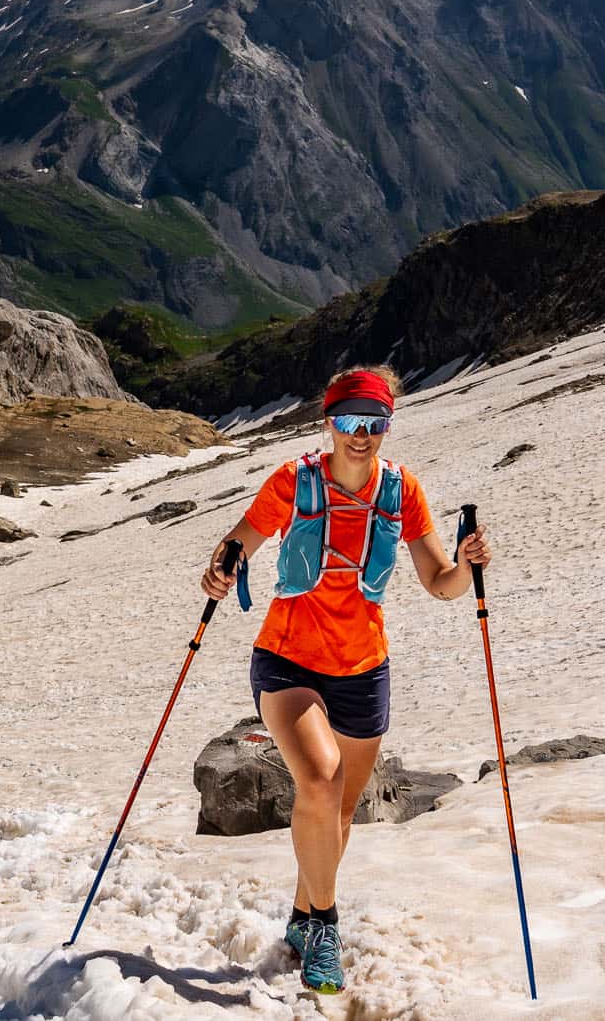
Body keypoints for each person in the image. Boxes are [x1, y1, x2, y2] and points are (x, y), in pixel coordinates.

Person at [201, 365, 492, 995]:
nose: (361, 434)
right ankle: (327, 926)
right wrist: (221, 570)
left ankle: (305, 916)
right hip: (287, 659)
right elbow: (239, 543)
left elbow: (439, 582)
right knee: (321, 778)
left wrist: (467, 568)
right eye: (349, 421)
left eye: (374, 422)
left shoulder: (401, 490)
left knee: (339, 815)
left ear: (388, 424)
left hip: (363, 668)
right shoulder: (294, 480)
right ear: (329, 422)